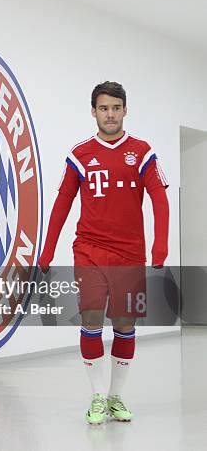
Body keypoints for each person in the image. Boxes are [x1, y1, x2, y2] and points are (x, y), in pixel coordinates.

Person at [38, 81, 169, 425]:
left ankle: (116, 397)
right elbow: (63, 202)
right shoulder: (79, 153)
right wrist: (47, 249)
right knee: (91, 318)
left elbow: (159, 197)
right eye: (103, 108)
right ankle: (97, 395)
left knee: (125, 324)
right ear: (93, 111)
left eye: (115, 108)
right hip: (90, 249)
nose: (109, 114)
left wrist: (161, 245)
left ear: (125, 110)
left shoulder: (142, 151)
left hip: (129, 252)